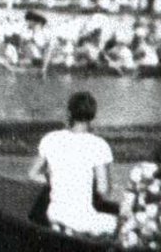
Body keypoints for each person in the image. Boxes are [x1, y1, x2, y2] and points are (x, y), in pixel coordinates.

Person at [28, 91, 116, 236]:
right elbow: (103, 189)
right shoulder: (99, 145)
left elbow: (32, 174)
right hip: (81, 218)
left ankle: (62, 229)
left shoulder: (50, 138)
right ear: (93, 115)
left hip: (54, 213)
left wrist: (56, 179)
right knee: (117, 224)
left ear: (69, 113)